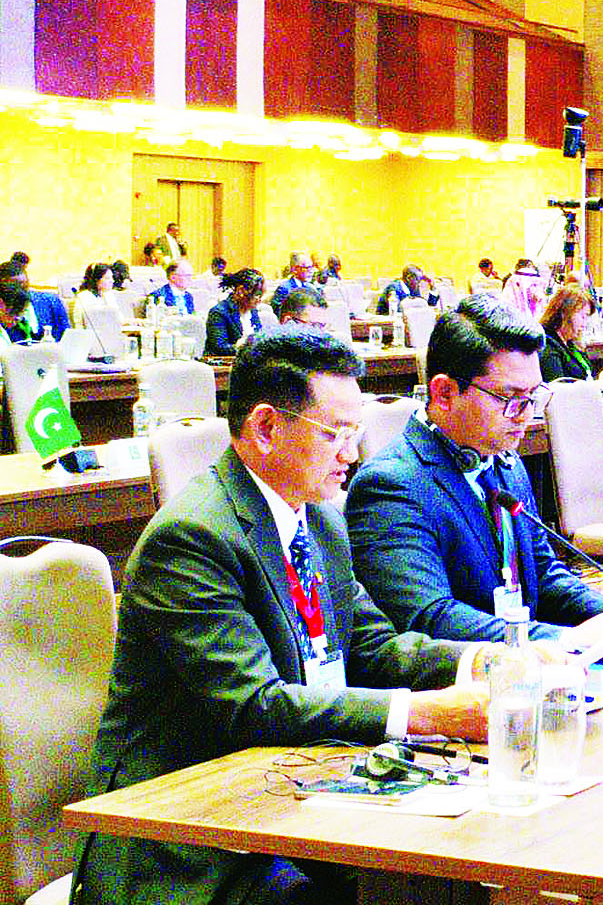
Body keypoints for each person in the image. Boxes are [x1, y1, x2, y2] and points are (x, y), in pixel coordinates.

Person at [72, 330, 504, 905]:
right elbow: (255, 705)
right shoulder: (193, 537)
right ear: (266, 428)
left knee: (456, 866)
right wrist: (426, 713)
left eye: (355, 433)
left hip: (296, 793)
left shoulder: (318, 519)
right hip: (192, 838)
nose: (351, 455)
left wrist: (488, 660)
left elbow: (371, 647)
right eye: (336, 434)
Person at [346, 298, 603, 646]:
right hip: (466, 677)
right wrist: (563, 640)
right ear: (445, 392)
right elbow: (427, 618)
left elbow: (541, 573)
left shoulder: (504, 462)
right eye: (508, 397)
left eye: (532, 396)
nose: (524, 414)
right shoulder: (390, 486)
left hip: (530, 664)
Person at [0, 258, 69, 342]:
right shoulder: (3, 310)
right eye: (14, 287)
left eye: (23, 286)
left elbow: (67, 336)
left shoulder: (51, 302)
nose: (21, 292)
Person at [538, 283, 595, 381]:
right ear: (565, 313)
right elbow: (558, 385)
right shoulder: (548, 347)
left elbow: (587, 375)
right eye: (582, 316)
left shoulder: (570, 343)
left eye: (586, 317)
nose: (584, 324)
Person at [205, 269, 266, 356]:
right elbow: (219, 348)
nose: (259, 300)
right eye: (257, 295)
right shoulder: (219, 312)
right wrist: (241, 346)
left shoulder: (253, 312)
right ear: (241, 291)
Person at [270, 251, 317, 316]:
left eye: (312, 267)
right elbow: (277, 314)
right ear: (294, 269)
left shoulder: (312, 288)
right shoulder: (284, 289)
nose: (311, 271)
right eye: (307, 268)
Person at [73, 262, 115, 328]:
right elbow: (82, 325)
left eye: (112, 277)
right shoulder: (84, 297)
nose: (112, 281)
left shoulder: (109, 295)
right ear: (96, 280)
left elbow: (118, 320)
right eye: (107, 278)